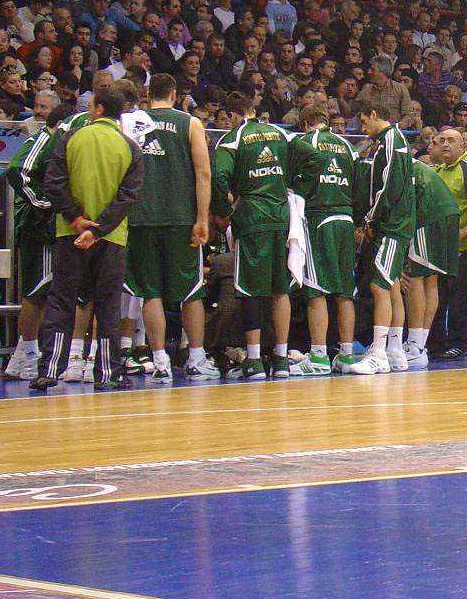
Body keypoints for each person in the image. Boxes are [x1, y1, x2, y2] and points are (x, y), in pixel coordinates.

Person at [31, 85, 143, 390]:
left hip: (70, 233)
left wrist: (78, 220)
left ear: (99, 109)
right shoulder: (130, 147)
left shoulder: (70, 138)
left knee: (61, 300)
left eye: (90, 105)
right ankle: (107, 374)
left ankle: (49, 370)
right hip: (111, 238)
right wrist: (98, 230)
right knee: (108, 305)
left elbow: (53, 184)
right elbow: (128, 197)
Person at [211, 91, 322, 380]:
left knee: (251, 288)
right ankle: (281, 359)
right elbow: (315, 159)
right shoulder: (280, 133)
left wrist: (224, 210)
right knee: (280, 288)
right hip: (281, 215)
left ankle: (253, 361)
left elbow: (218, 177)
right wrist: (295, 189)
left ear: (232, 114)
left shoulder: (233, 139)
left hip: (251, 216)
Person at [125, 74, 216, 383]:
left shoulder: (131, 122)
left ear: (149, 94)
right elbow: (203, 174)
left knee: (150, 292)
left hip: (141, 217)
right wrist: (202, 218)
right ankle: (196, 359)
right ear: (175, 95)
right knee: (190, 291)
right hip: (180, 218)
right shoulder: (190, 123)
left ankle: (160, 360)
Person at [289, 105, 362, 375]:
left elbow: (295, 181)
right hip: (346, 219)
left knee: (315, 289)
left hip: (319, 217)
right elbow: (359, 188)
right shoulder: (348, 147)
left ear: (305, 123)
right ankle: (346, 356)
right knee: (345, 291)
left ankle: (318, 357)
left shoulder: (305, 142)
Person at [2, 104, 71, 381]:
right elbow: (16, 171)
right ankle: (30, 357)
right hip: (37, 226)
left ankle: (20, 357)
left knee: (44, 292)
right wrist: (44, 202)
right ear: (60, 125)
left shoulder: (56, 145)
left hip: (48, 227)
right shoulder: (41, 140)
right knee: (36, 292)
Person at [353, 98, 416, 375]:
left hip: (392, 226)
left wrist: (370, 218)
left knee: (378, 287)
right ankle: (395, 350)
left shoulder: (391, 140)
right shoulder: (393, 140)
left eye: (363, 121)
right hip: (396, 225)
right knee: (390, 287)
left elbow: (388, 186)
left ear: (374, 113)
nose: (362, 127)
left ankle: (378, 353)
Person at [429, 128, 467, 360]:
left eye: (451, 141)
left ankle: (458, 343)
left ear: (463, 145)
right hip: (440, 246)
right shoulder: (438, 170)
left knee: (460, 296)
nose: (445, 144)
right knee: (439, 294)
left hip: (465, 245)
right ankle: (435, 343)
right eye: (442, 140)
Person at [403, 157, 461, 368]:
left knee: (415, 277)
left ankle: (414, 347)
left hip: (429, 215)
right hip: (448, 213)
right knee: (431, 279)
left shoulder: (395, 165)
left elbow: (398, 211)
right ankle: (420, 345)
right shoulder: (415, 165)